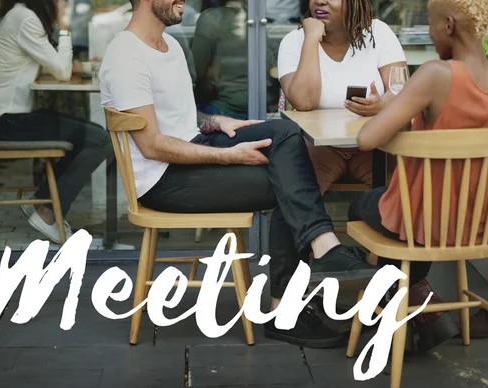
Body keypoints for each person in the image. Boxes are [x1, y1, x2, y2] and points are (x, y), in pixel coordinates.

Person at [99, 0, 378, 349]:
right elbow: (152, 145)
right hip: (163, 181)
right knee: (289, 182)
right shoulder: (126, 56)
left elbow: (176, 119)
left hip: (188, 150)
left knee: (284, 132)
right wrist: (228, 156)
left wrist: (215, 122)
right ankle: (285, 307)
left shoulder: (168, 44)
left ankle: (320, 252)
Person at [351, 0, 488, 352]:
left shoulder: (436, 75)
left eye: (432, 24)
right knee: (411, 225)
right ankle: (421, 307)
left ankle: (411, 307)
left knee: (361, 206)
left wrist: (399, 111)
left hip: (428, 225)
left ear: (448, 25)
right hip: (481, 223)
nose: (431, 32)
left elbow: (366, 139)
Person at [0, 0, 113, 244]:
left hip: (8, 118)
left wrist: (79, 66)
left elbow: (47, 66)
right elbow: (61, 72)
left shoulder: (17, 15)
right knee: (99, 140)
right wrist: (65, 27)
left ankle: (45, 201)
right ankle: (46, 210)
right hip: (10, 122)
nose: (65, 2)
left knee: (93, 136)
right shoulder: (25, 19)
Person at [277, 0, 408, 194]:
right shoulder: (293, 41)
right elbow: (304, 102)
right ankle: (319, 226)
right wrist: (311, 40)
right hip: (319, 149)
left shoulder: (379, 33)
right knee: (297, 199)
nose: (320, 1)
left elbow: (401, 89)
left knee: (403, 199)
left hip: (374, 144)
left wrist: (382, 105)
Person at [191, 0, 279, 120]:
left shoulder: (211, 18)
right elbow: (269, 68)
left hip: (223, 110)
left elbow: (196, 71)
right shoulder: (255, 19)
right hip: (261, 109)